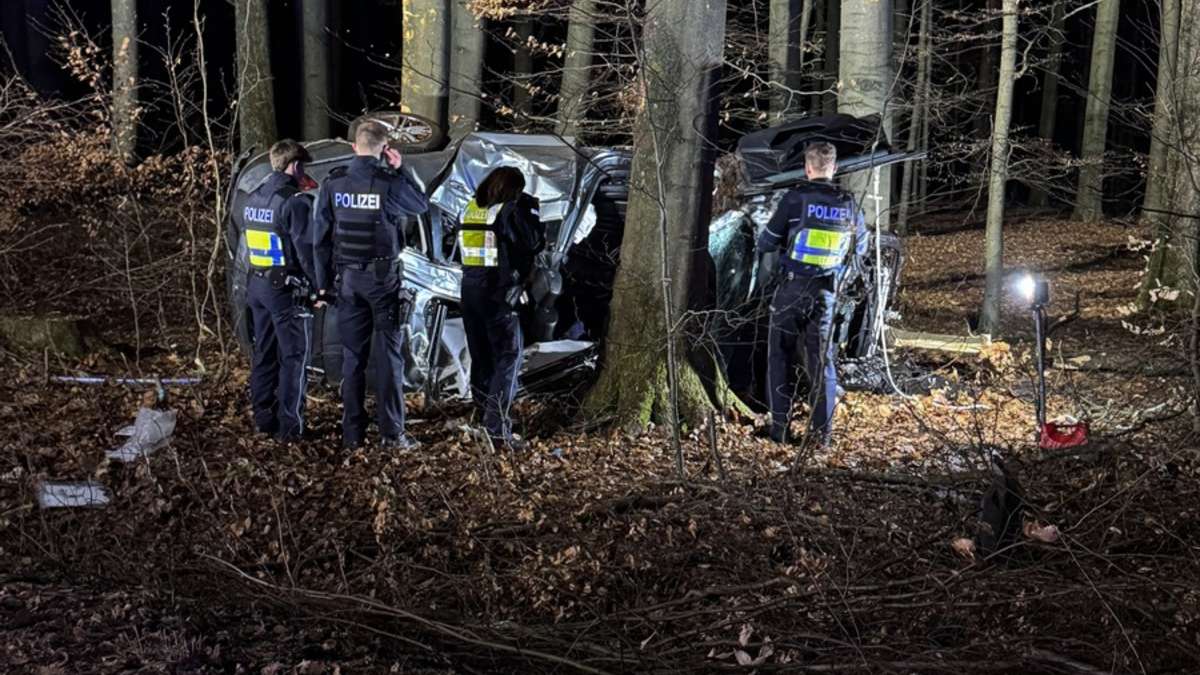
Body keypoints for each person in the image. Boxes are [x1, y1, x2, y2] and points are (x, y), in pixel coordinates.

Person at [312, 120, 430, 450]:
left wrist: (323, 286)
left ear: (354, 146)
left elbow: (319, 239)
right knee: (390, 357)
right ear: (384, 149)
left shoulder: (333, 182)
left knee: (354, 358)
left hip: (347, 281)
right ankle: (392, 435)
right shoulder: (388, 182)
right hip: (382, 280)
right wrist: (402, 170)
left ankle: (353, 434)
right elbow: (420, 205)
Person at [756, 141, 867, 446]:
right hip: (826, 293)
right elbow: (862, 249)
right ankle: (823, 436)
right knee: (822, 364)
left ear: (807, 168)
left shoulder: (795, 200)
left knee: (779, 358)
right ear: (834, 169)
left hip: (791, 289)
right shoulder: (848, 203)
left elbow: (766, 243)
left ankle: (780, 430)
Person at [457, 167, 546, 450]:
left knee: (481, 357)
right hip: (498, 291)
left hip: (470, 289)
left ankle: (482, 418)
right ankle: (497, 430)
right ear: (513, 189)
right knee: (508, 357)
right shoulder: (508, 211)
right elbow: (532, 244)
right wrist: (530, 212)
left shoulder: (470, 208)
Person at [244, 139, 316, 443]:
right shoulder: (294, 201)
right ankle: (291, 427)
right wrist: (321, 286)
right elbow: (306, 252)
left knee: (265, 353)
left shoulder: (253, 197)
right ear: (295, 165)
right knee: (294, 357)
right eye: (303, 168)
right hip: (285, 290)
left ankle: (262, 418)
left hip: (257, 285)